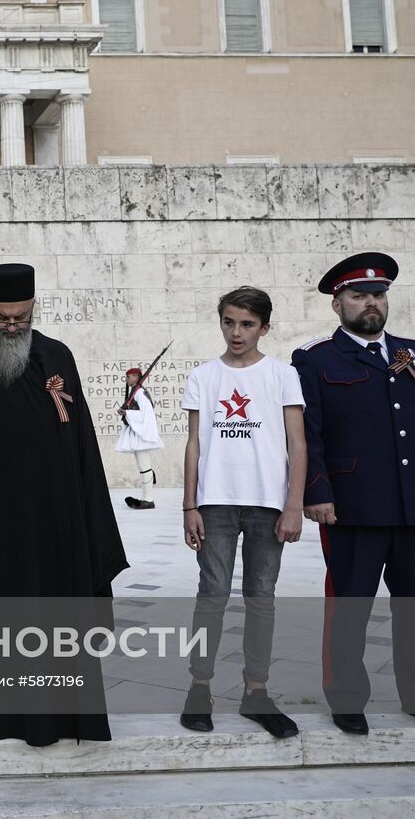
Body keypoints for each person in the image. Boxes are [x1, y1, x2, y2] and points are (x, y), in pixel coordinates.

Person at [0, 263, 127, 746]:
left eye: (19, 317)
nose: (10, 326)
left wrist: (83, 511)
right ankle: (1, 713)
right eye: (1, 318)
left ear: (33, 309)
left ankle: (62, 712)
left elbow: (80, 440)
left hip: (55, 515)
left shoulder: (57, 354)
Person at [292, 252, 415, 737]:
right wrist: (316, 492)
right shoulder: (315, 360)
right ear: (338, 304)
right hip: (352, 506)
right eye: (359, 295)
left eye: (378, 294)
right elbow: (309, 434)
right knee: (349, 604)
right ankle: (347, 697)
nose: (371, 303)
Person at [178, 287, 306, 739]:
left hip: (267, 502)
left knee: (261, 596)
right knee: (211, 592)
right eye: (229, 322)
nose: (237, 332)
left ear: (264, 327)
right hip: (215, 502)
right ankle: (200, 685)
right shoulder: (203, 376)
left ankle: (256, 689)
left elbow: (297, 443)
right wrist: (189, 503)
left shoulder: (282, 374)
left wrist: (294, 504)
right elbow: (194, 443)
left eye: (247, 324)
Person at [116, 367, 163, 510]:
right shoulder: (135, 392)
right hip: (137, 432)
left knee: (144, 466)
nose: (127, 379)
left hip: (141, 433)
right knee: (142, 466)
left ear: (136, 377)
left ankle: (148, 499)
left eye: (129, 377)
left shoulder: (140, 393)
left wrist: (127, 413)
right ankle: (146, 498)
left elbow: (146, 413)